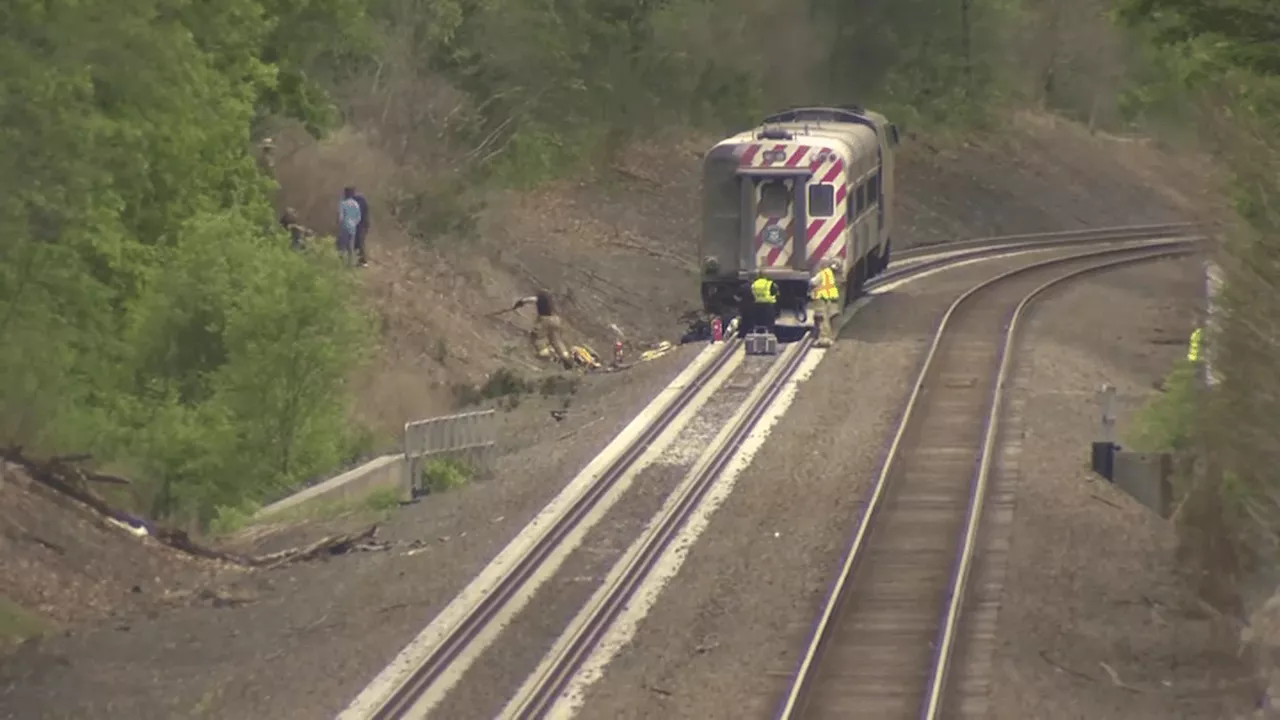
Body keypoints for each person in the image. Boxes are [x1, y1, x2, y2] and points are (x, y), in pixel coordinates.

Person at [514, 289, 573, 368]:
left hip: (544, 320)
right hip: (556, 320)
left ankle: (546, 355)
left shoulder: (539, 298)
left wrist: (519, 303)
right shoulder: (552, 301)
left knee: (536, 338)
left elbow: (529, 300)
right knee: (555, 340)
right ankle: (565, 356)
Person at [809, 258, 841, 347]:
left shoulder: (822, 274)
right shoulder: (829, 273)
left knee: (822, 319)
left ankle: (824, 339)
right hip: (829, 298)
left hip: (821, 298)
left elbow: (813, 282)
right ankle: (829, 337)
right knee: (828, 317)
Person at [747, 268, 779, 335]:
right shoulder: (769, 283)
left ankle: (758, 335)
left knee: (759, 323)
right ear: (765, 276)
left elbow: (751, 293)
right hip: (768, 305)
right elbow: (775, 292)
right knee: (769, 323)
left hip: (757, 305)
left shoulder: (754, 284)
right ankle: (770, 335)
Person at [338, 187, 361, 266]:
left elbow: (341, 217)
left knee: (343, 246)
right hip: (353, 227)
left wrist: (340, 225)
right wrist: (354, 223)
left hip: (345, 226)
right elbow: (358, 217)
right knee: (351, 247)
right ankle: (351, 264)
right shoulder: (356, 204)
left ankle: (342, 264)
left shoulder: (343, 203)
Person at [351, 187, 370, 268]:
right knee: (357, 242)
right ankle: (360, 261)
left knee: (359, 242)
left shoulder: (358, 200)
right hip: (361, 224)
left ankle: (363, 261)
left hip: (361, 224)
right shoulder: (360, 200)